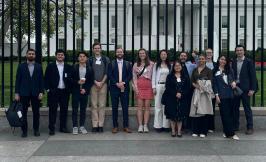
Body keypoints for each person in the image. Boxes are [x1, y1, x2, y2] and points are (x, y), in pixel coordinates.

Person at [15, 49, 44, 137]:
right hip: (24, 93)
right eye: (29, 54)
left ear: (35, 55)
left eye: (33, 54)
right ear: (26, 55)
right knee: (23, 112)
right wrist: (16, 93)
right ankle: (24, 131)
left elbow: (41, 80)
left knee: (36, 113)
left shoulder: (39, 66)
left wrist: (41, 92)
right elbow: (18, 80)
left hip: (36, 93)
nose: (31, 55)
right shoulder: (21, 66)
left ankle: (36, 130)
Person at [45, 49, 73, 135]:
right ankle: (51, 128)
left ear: (64, 56)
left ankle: (63, 127)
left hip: (64, 92)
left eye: (62, 55)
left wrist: (69, 89)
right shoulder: (50, 66)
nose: (60, 56)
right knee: (52, 110)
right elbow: (46, 79)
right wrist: (48, 89)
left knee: (64, 110)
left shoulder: (68, 67)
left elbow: (71, 79)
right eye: (58, 55)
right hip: (54, 91)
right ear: (56, 56)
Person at [213, 55, 239, 140]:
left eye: (225, 60)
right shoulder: (215, 71)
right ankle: (231, 134)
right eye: (221, 59)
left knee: (230, 114)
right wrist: (216, 95)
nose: (223, 61)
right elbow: (214, 85)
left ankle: (226, 132)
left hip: (231, 94)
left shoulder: (229, 70)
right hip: (221, 96)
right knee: (225, 114)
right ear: (218, 60)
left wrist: (234, 82)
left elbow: (235, 79)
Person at [232, 45, 256, 135]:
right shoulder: (233, 62)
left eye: (241, 50)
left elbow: (253, 76)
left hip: (246, 89)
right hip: (236, 88)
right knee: (235, 108)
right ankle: (235, 126)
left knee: (247, 108)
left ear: (244, 51)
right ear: (235, 52)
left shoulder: (249, 61)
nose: (239, 52)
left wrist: (252, 89)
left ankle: (250, 127)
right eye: (237, 50)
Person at [108, 48, 132, 134]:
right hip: (114, 88)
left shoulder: (128, 64)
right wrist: (116, 83)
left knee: (125, 107)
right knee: (114, 107)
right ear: (115, 53)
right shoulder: (111, 63)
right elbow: (109, 75)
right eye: (118, 52)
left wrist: (123, 83)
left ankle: (126, 126)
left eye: (121, 52)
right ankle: (115, 126)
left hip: (124, 88)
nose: (119, 53)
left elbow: (130, 75)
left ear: (123, 53)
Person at [190, 54, 213, 138]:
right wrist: (197, 86)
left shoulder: (209, 70)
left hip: (204, 94)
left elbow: (210, 82)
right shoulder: (195, 70)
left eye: (203, 59)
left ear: (205, 60)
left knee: (203, 112)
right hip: (196, 92)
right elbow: (192, 81)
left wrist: (202, 87)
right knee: (196, 112)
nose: (201, 60)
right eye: (199, 59)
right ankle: (196, 130)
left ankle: (204, 131)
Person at [164, 61, 190, 137]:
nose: (177, 67)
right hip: (172, 98)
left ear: (181, 67)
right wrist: (175, 93)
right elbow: (168, 87)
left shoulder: (185, 76)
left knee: (180, 116)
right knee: (172, 115)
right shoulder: (170, 76)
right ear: (173, 67)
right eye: (176, 66)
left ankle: (179, 131)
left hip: (182, 98)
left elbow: (188, 88)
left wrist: (181, 94)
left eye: (179, 66)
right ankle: (173, 131)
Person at [193, 48, 217, 133]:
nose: (209, 54)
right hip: (198, 90)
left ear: (213, 54)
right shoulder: (197, 67)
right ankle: (199, 128)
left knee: (210, 108)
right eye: (207, 53)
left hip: (209, 90)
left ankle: (210, 127)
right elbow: (192, 80)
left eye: (210, 52)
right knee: (199, 109)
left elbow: (212, 79)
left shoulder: (215, 64)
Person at [88, 42, 110, 133]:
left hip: (103, 84)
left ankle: (100, 125)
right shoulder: (89, 60)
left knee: (101, 105)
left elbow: (107, 72)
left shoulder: (105, 59)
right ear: (93, 50)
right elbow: (89, 72)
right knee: (93, 105)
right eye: (95, 48)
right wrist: (95, 81)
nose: (97, 49)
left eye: (98, 48)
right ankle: (94, 125)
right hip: (93, 84)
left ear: (101, 49)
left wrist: (102, 82)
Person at [71, 52, 94, 135]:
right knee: (75, 109)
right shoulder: (74, 67)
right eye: (80, 56)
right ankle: (75, 126)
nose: (82, 58)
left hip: (84, 92)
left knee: (83, 109)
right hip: (75, 91)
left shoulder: (90, 69)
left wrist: (86, 89)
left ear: (86, 58)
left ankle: (81, 126)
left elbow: (91, 81)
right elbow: (70, 79)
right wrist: (77, 82)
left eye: (84, 56)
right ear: (78, 58)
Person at [132, 48, 154, 133]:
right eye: (140, 53)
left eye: (143, 53)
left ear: (146, 54)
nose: (142, 55)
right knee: (140, 107)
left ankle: (145, 125)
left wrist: (153, 87)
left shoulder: (151, 64)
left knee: (147, 107)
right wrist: (135, 88)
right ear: (138, 55)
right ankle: (140, 125)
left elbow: (153, 76)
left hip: (148, 87)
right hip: (139, 87)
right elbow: (134, 77)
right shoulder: (135, 65)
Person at [152, 50, 171, 133]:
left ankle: (166, 125)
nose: (163, 56)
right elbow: (153, 77)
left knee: (166, 106)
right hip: (159, 86)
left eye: (165, 54)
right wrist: (154, 87)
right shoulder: (156, 65)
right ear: (160, 56)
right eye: (162, 54)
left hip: (167, 87)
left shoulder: (170, 65)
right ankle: (158, 125)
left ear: (167, 55)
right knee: (158, 106)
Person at [179, 52, 197, 131]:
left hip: (189, 89)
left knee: (189, 106)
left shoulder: (191, 65)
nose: (183, 57)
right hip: (179, 88)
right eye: (182, 56)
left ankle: (188, 125)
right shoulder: (176, 65)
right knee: (180, 106)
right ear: (179, 57)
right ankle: (181, 125)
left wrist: (195, 57)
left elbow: (199, 63)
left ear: (187, 57)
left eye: (185, 56)